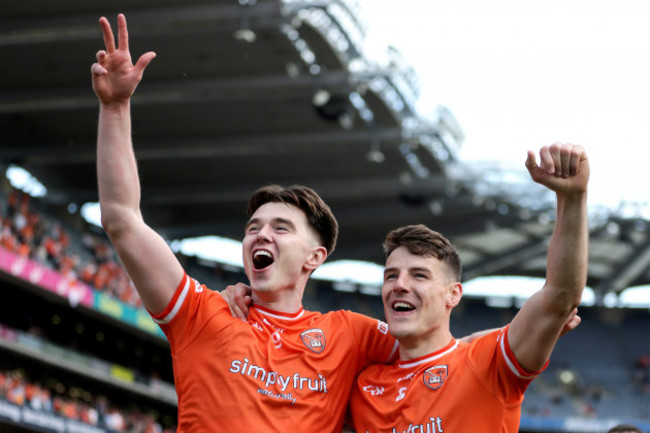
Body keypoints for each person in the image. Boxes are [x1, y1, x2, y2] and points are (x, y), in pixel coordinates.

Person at [91, 13, 580, 433]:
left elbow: (440, 347)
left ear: (315, 256)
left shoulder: (349, 338)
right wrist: (115, 107)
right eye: (254, 228)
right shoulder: (201, 315)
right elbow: (122, 220)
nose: (261, 234)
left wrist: (537, 324)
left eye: (281, 227)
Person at [348, 143, 590, 433]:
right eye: (391, 276)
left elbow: (560, 295)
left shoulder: (488, 364)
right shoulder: (362, 386)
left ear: (453, 294)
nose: (399, 285)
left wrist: (572, 199)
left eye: (419, 276)